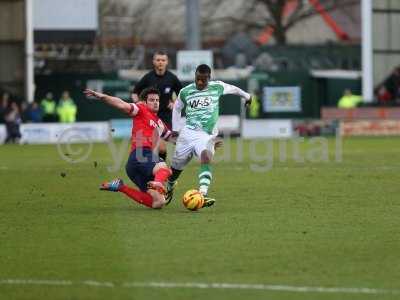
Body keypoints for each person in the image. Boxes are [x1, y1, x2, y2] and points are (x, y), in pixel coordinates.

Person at [166, 64, 252, 205]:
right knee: (176, 168)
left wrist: (247, 96)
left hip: (207, 135)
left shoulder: (217, 87)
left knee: (206, 156)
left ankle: (202, 194)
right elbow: (177, 108)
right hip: (188, 134)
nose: (200, 82)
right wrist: (175, 130)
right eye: (197, 79)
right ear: (195, 76)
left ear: (209, 78)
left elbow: (234, 89)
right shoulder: (185, 91)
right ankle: (170, 185)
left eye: (203, 80)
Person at [83, 87, 177, 209]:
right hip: (140, 154)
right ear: (144, 102)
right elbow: (121, 104)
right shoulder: (141, 109)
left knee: (159, 202)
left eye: (157, 100)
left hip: (134, 167)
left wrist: (195, 138)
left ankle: (121, 187)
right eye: (152, 100)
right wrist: (102, 97)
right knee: (164, 169)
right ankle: (157, 183)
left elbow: (172, 138)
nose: (155, 102)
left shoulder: (159, 122)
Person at [132, 50, 182, 160]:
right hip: (149, 116)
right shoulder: (148, 78)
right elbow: (135, 93)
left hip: (165, 116)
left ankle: (160, 165)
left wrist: (175, 103)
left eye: (163, 60)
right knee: (151, 146)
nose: (160, 62)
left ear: (167, 62)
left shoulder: (172, 78)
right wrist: (138, 104)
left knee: (162, 148)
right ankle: (156, 166)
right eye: (158, 60)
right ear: (153, 61)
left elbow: (182, 95)